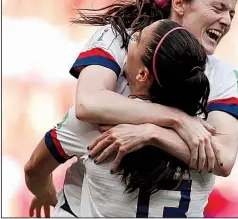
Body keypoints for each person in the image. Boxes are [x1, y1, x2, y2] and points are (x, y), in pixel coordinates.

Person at [27, 0, 238, 217]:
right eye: (218, 8)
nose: (227, 21)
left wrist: (152, 133)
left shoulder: (223, 74)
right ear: (179, 3)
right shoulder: (120, 38)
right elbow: (88, 103)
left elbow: (224, 159)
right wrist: (176, 120)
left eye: (231, 13)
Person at [25, 19, 216, 217]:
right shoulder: (207, 137)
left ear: (143, 74)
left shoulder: (98, 122)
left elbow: (34, 169)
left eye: (136, 39)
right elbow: (225, 161)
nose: (128, 42)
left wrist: (44, 192)